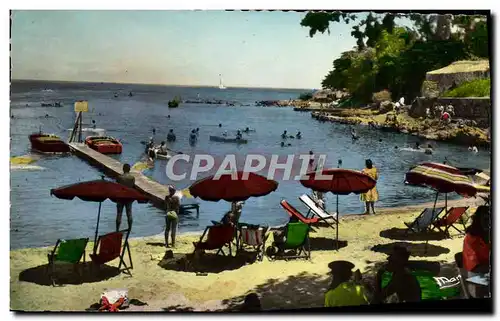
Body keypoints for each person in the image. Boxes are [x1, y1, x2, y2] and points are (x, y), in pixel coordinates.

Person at [116, 164, 135, 231]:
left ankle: (117, 230)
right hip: (129, 197)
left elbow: (117, 188)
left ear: (123, 169)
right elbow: (133, 187)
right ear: (129, 169)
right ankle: (130, 228)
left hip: (120, 197)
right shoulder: (132, 178)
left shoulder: (119, 177)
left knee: (119, 214)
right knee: (129, 213)